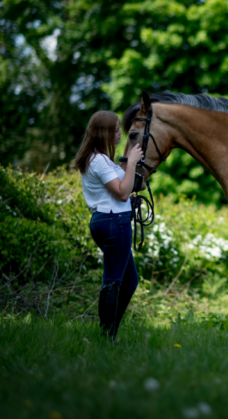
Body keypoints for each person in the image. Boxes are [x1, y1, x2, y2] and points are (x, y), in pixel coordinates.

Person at [71, 111, 143, 341]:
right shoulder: (99, 161)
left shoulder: (98, 159)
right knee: (113, 281)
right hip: (115, 223)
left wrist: (130, 198)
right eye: (115, 129)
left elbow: (119, 192)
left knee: (130, 281)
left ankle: (110, 330)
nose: (120, 132)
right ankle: (107, 336)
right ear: (104, 133)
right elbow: (123, 192)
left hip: (107, 220)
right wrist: (131, 162)